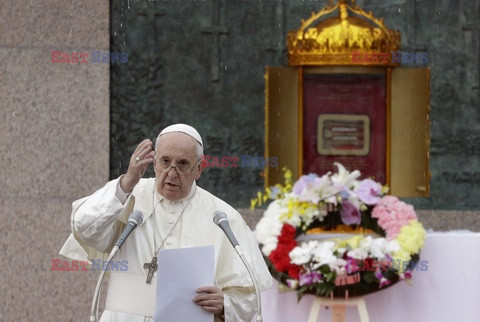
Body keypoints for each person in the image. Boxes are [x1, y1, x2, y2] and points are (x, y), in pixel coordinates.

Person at [60, 123, 272, 321]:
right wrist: (125, 183)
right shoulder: (127, 194)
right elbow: (85, 228)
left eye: (182, 164)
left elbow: (249, 298)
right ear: (154, 162)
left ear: (199, 168)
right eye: (165, 162)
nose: (172, 173)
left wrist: (225, 304)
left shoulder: (223, 217)